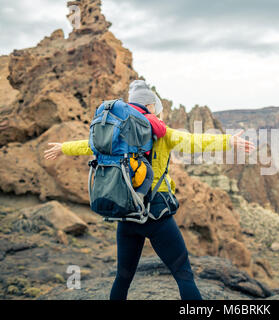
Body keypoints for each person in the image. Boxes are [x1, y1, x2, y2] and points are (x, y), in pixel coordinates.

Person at [44, 81, 255, 300]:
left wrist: (63, 147)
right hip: (157, 215)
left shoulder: (117, 131)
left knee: (123, 278)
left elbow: (89, 144)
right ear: (151, 106)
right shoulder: (162, 132)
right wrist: (229, 141)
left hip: (127, 213)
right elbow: (194, 141)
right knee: (183, 275)